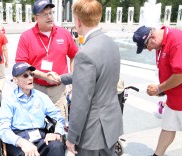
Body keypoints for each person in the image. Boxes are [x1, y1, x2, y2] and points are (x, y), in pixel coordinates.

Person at [49, 0, 122, 154]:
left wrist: (72, 137)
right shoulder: (111, 44)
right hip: (110, 123)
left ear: (78, 21)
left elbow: (81, 101)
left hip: (92, 131)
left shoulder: (84, 54)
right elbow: (97, 75)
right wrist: (62, 78)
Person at [15, 0, 78, 120]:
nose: (49, 17)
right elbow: (21, 65)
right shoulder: (26, 37)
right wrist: (44, 76)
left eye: (51, 13)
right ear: (36, 18)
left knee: (60, 126)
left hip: (58, 91)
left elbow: (74, 55)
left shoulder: (64, 34)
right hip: (35, 90)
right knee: (37, 126)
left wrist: (72, 79)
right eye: (45, 14)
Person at [133, 25, 182, 156]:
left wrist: (160, 88)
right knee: (168, 128)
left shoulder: (177, 41)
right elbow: (169, 71)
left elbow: (180, 75)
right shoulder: (160, 44)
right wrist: (162, 91)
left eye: (145, 46)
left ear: (152, 37)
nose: (148, 50)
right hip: (174, 100)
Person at [0, 62, 65, 156]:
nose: (30, 78)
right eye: (25, 75)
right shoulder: (8, 100)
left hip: (41, 137)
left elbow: (58, 117)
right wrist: (22, 142)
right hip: (19, 139)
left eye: (31, 74)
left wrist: (57, 132)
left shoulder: (42, 97)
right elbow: (3, 130)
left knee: (57, 146)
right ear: (15, 80)